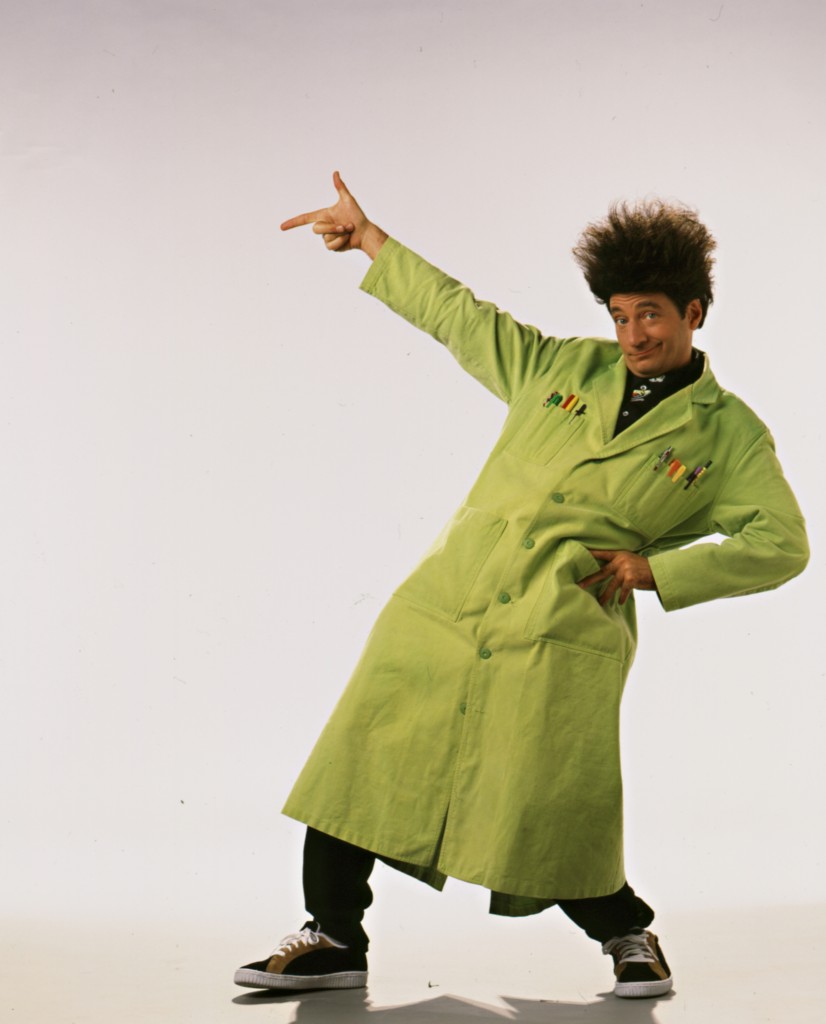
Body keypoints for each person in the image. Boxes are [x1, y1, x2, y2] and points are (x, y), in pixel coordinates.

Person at [234, 173, 808, 999]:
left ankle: (627, 932)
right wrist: (369, 241)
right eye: (619, 314)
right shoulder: (561, 366)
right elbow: (460, 317)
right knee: (361, 764)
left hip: (561, 626)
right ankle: (332, 936)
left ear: (694, 312)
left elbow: (781, 543)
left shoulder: (731, 435)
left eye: (650, 314)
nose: (632, 334)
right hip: (448, 604)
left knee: (553, 803)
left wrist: (657, 570)